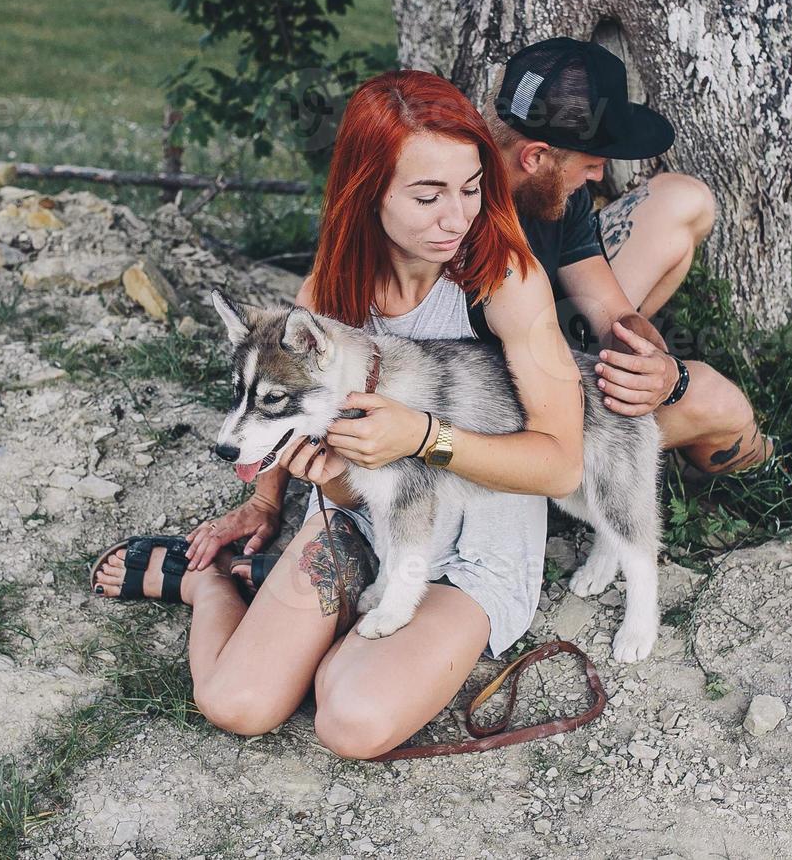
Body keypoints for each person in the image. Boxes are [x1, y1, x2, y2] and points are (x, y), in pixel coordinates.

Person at [89, 70, 584, 760]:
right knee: (236, 704)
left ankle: (331, 627)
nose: (457, 217)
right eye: (428, 194)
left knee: (350, 719)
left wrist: (422, 435)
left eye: (471, 188)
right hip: (359, 517)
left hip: (476, 549)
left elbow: (561, 461)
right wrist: (266, 500)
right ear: (368, 191)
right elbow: (292, 401)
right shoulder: (330, 288)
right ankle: (207, 584)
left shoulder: (504, 279)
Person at [478, 37, 792, 501]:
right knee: (715, 399)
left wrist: (658, 368)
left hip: (546, 346)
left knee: (682, 202)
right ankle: (769, 468)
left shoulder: (544, 190)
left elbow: (611, 311)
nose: (598, 178)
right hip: (511, 417)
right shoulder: (454, 215)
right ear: (535, 157)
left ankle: (646, 438)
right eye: (591, 165)